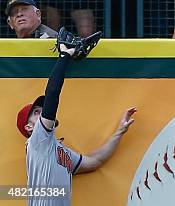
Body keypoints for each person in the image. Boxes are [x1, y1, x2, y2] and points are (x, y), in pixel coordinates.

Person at [16, 28, 134, 206]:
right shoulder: (37, 141)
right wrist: (65, 56)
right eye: (36, 112)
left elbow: (95, 161)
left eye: (41, 109)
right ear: (29, 127)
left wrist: (120, 131)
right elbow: (52, 93)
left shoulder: (56, 150)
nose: (42, 112)